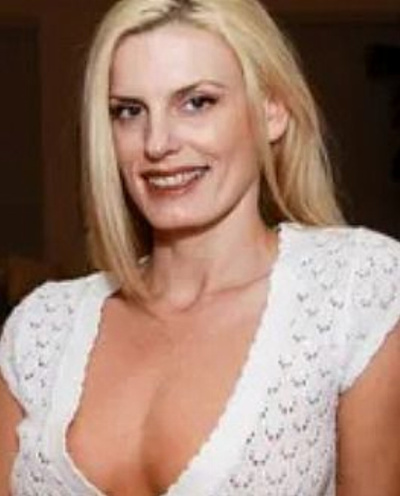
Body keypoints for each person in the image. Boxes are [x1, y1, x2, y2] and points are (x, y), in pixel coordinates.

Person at [1, 0, 400, 494]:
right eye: (129, 111)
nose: (157, 143)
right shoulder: (41, 328)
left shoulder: (354, 290)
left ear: (272, 111)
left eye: (197, 102)